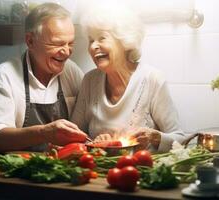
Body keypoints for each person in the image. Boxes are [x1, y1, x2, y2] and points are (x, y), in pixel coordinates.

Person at [71, 5, 187, 153]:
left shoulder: (152, 79)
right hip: (99, 172)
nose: (94, 46)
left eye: (102, 38)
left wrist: (155, 137)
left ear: (124, 41)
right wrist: (95, 143)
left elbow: (181, 140)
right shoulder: (90, 80)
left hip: (142, 172)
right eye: (90, 40)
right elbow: (73, 136)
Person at [0, 3, 87, 152]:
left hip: (63, 168)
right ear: (30, 41)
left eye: (70, 43)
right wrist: (44, 133)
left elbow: (88, 119)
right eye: (57, 43)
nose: (66, 52)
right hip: (21, 171)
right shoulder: (6, 75)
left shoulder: (71, 71)